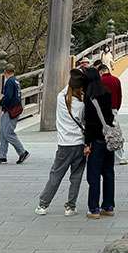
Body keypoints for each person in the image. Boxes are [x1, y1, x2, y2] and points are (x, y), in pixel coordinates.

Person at [36, 69, 87, 216]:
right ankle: (70, 206)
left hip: (64, 144)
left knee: (56, 175)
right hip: (79, 143)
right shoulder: (81, 104)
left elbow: (66, 89)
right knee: (76, 177)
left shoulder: (60, 98)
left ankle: (43, 205)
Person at [82, 67, 115, 219]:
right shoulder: (107, 92)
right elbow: (109, 115)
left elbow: (89, 123)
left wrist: (87, 143)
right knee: (108, 173)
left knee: (93, 175)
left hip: (95, 140)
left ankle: (93, 208)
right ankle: (108, 206)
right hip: (108, 138)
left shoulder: (89, 97)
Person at [0, 64, 29, 164]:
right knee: (3, 134)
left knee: (8, 133)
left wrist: (1, 103)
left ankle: (22, 152)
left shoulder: (9, 81)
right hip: (14, 108)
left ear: (5, 72)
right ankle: (2, 156)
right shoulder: (16, 81)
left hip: (10, 110)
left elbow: (8, 96)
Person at [98, 63, 127, 165]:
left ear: (101, 72)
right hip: (113, 109)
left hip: (102, 110)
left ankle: (105, 155)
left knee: (103, 133)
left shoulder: (100, 81)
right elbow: (120, 96)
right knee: (115, 133)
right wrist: (117, 107)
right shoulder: (116, 80)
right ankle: (120, 156)